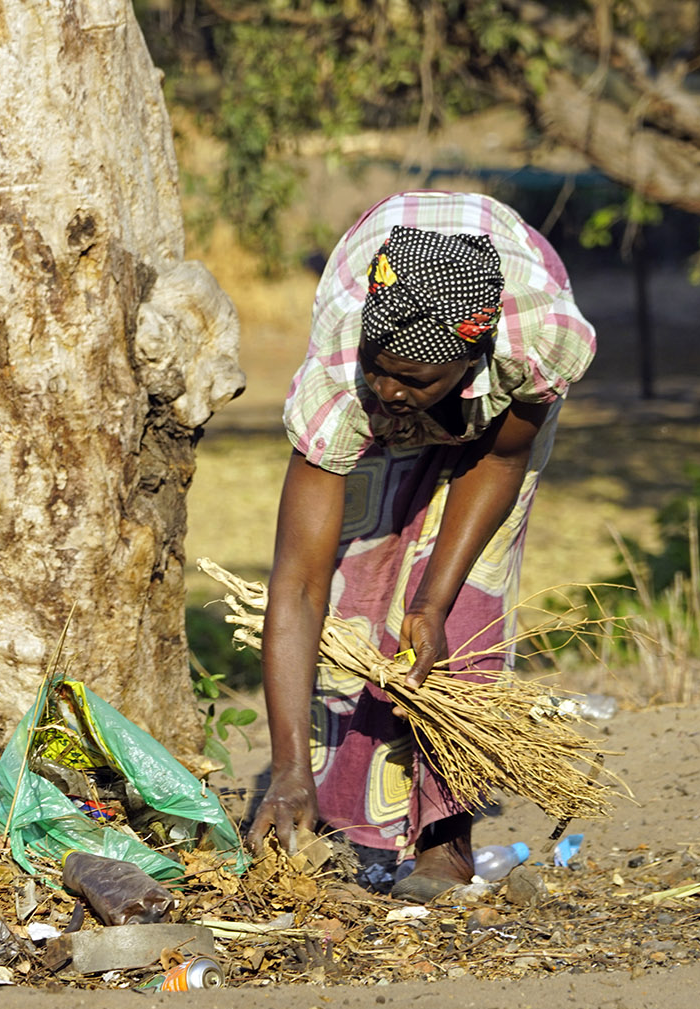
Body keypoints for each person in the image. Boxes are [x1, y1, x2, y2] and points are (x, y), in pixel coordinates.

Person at [248, 191, 597, 902]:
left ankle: (447, 839)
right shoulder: (342, 380)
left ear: (469, 361)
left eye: (413, 380)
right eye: (381, 367)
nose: (389, 389)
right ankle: (339, 810)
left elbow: (497, 461)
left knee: (467, 604)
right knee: (358, 585)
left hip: (500, 391)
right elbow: (300, 584)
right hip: (385, 300)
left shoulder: (539, 344)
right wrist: (284, 767)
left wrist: (434, 602)